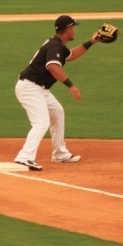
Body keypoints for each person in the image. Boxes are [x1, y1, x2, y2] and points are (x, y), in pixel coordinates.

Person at [14, 15, 100, 171]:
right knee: (41, 123)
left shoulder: (58, 44)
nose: (74, 30)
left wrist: (92, 41)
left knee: (57, 112)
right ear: (68, 30)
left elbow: (71, 55)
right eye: (73, 27)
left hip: (39, 89)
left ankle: (60, 153)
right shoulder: (55, 46)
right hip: (30, 88)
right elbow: (53, 67)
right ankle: (24, 157)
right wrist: (71, 86)